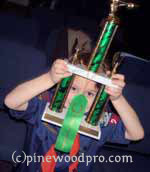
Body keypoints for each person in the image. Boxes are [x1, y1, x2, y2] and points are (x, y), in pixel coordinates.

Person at [4, 50, 144, 172]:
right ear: (63, 83)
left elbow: (136, 134)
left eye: (90, 94)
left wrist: (117, 98)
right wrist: (49, 78)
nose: (80, 99)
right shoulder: (46, 103)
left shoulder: (101, 120)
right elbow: (11, 102)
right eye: (74, 89)